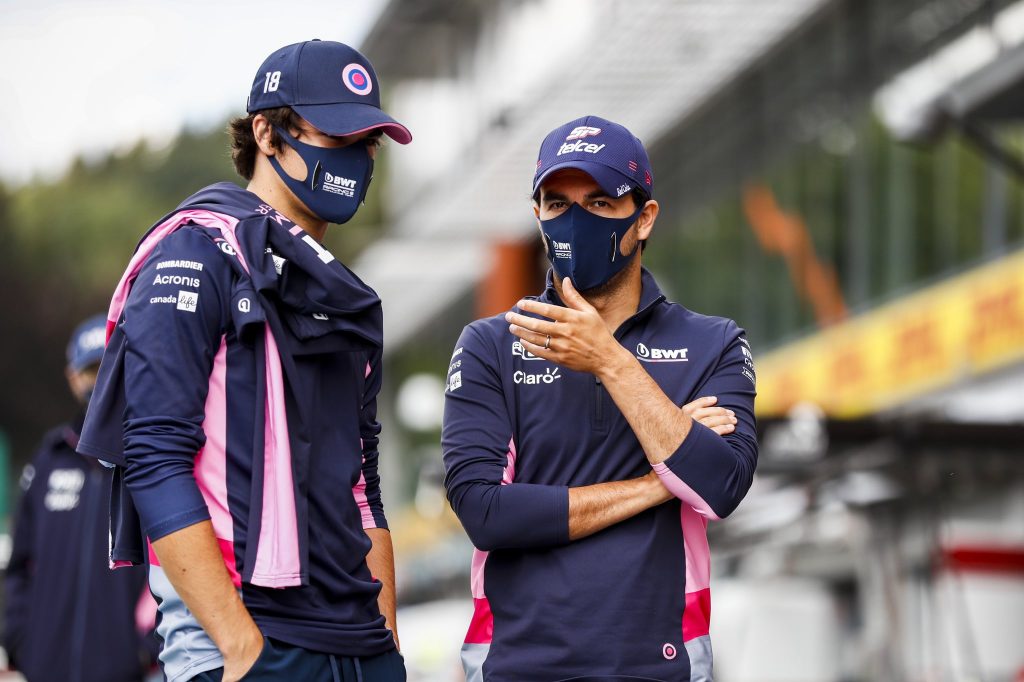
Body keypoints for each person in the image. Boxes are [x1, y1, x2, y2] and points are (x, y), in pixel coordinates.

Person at [77, 40, 411, 682]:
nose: (358, 158)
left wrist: (386, 642)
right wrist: (240, 650)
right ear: (267, 132)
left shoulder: (345, 293)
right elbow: (153, 460)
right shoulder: (193, 253)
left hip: (361, 649)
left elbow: (363, 490)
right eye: (336, 135)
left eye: (368, 141)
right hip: (251, 644)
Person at [442, 115, 758, 681]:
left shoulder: (714, 343)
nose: (574, 220)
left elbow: (722, 486)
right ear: (537, 214)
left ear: (644, 219)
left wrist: (609, 360)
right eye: (557, 204)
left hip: (665, 663)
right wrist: (659, 482)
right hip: (515, 665)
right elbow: (486, 513)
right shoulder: (491, 343)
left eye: (599, 202)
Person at [4, 314, 155, 682]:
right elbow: (20, 564)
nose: (99, 382)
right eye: (90, 371)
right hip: (43, 668)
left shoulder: (152, 460)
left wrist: (144, 648)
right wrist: (21, 641)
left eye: (109, 368)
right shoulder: (48, 458)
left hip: (126, 672)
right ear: (72, 378)